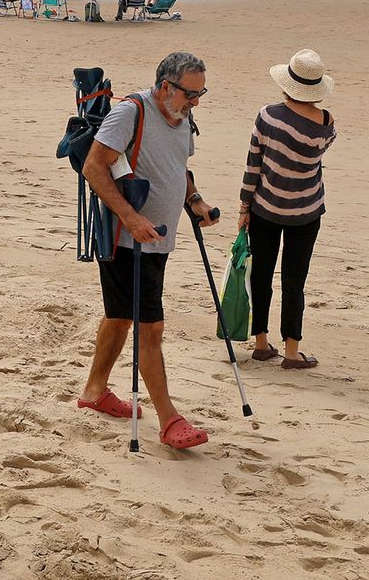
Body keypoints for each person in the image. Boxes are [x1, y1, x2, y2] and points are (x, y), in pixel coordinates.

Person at [77, 52, 216, 450]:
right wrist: (131, 217)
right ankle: (170, 420)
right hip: (126, 239)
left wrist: (196, 201)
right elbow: (94, 166)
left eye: (201, 92)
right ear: (166, 86)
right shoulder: (131, 112)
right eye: (191, 93)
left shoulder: (182, 115)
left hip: (158, 238)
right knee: (150, 327)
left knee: (120, 316)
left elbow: (179, 168)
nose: (197, 101)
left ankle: (94, 392)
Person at [240, 49, 338, 369]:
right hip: (306, 210)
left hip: (265, 207)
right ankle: (293, 352)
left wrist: (244, 205)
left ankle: (261, 343)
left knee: (262, 275)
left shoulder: (267, 116)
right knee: (295, 281)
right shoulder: (325, 122)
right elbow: (321, 148)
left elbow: (253, 164)